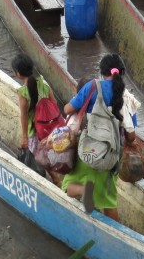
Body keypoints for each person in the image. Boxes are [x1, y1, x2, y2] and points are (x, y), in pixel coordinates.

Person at [61, 54, 137, 220]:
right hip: (110, 157)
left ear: (102, 72)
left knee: (67, 186)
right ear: (121, 73)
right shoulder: (127, 98)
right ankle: (118, 236)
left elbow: (67, 110)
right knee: (109, 202)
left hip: (87, 151)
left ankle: (82, 191)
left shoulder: (91, 87)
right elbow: (130, 135)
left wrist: (78, 103)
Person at [12, 54, 63, 185]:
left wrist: (24, 137)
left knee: (40, 157)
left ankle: (56, 179)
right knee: (46, 153)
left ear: (18, 73)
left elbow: (24, 115)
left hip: (35, 131)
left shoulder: (23, 92)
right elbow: (54, 103)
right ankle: (57, 178)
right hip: (49, 128)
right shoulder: (43, 84)